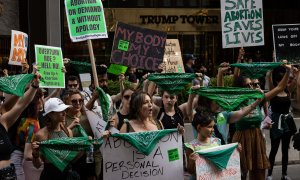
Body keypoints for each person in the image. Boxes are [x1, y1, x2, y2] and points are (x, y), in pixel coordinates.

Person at [232, 61, 292, 180]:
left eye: (252, 85)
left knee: (259, 174)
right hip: (241, 139)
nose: (251, 87)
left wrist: (288, 71)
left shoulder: (258, 98)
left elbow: (280, 87)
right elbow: (221, 90)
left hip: (257, 138)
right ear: (240, 88)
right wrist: (220, 74)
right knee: (239, 174)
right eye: (247, 85)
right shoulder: (235, 101)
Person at [0, 73, 40, 180]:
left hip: (10, 175)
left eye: (1, 99)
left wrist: (34, 86)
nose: (1, 102)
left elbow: (21, 104)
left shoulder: (2, 122)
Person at [31, 98, 79, 180]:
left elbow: (72, 159)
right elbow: (37, 165)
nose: (64, 113)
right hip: (50, 176)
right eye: (60, 111)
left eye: (65, 110)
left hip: (67, 175)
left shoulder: (68, 132)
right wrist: (35, 155)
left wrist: (85, 146)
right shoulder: (41, 135)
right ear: (50, 114)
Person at [266, 66, 297, 180]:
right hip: (276, 123)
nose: (283, 82)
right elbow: (269, 79)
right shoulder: (273, 91)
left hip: (287, 122)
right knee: (274, 149)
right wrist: (269, 73)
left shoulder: (288, 91)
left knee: (285, 149)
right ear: (277, 81)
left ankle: (284, 174)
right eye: (280, 80)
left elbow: (294, 82)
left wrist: (294, 72)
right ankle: (269, 174)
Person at [63, 89, 96, 180]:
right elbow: (60, 138)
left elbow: (98, 135)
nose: (78, 103)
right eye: (74, 101)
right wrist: (70, 127)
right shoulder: (63, 119)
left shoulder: (88, 117)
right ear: (67, 102)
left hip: (89, 157)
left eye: (80, 100)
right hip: (72, 161)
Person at [185, 114, 221, 180]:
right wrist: (191, 161)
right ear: (199, 128)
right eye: (209, 127)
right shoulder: (191, 147)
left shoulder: (217, 142)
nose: (213, 130)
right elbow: (190, 171)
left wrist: (236, 149)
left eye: (213, 127)